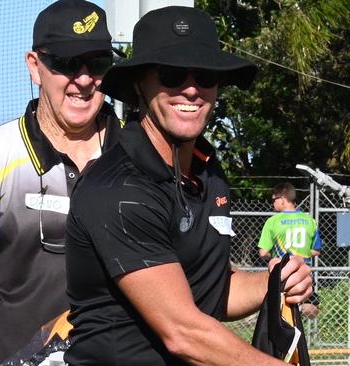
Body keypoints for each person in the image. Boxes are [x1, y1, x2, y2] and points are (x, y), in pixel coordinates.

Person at [64, 6, 313, 365]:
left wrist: (274, 281)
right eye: (172, 74)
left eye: (206, 76)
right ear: (139, 85)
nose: (191, 89)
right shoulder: (119, 189)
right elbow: (182, 332)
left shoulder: (208, 172)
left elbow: (213, 289)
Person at [0, 1, 124, 365]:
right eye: (65, 63)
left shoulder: (139, 158)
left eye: (97, 63)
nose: (83, 79)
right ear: (35, 66)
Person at [257, 182, 322, 318]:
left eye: (274, 200)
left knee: (281, 315)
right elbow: (316, 251)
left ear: (281, 199)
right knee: (310, 311)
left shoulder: (273, 221)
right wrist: (301, 255)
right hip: (303, 275)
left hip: (282, 274)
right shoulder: (310, 221)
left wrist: (275, 257)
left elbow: (263, 252)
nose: (273, 204)